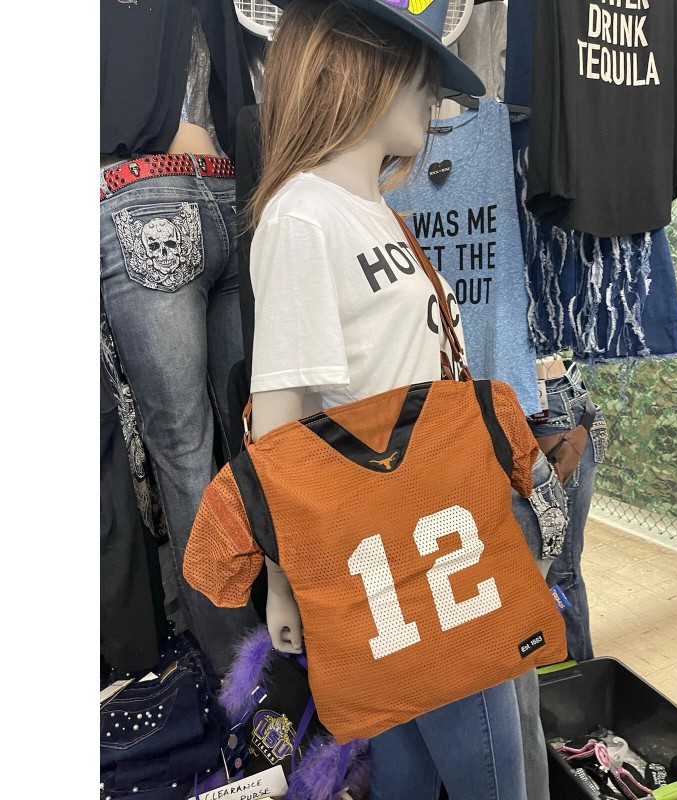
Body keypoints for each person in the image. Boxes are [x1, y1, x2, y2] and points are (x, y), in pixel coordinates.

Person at [244, 0, 545, 797]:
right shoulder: (303, 216)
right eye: (420, 72)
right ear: (361, 66)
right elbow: (280, 423)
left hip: (439, 545)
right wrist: (284, 580)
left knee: (413, 776)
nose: (433, 95)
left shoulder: (370, 209)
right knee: (489, 781)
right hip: (403, 562)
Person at [100, 0, 262, 677]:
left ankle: (242, 677)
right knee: (256, 433)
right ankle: (294, 644)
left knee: (184, 450)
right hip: (234, 180)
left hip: (142, 187)